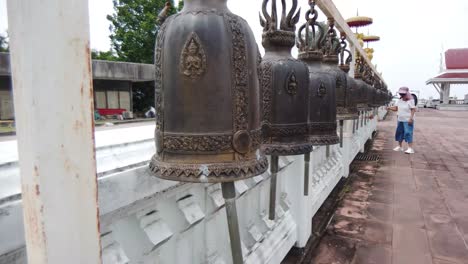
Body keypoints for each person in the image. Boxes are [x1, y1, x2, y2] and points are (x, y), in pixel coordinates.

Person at [386, 87, 416, 154]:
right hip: (400, 119)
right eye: (400, 93)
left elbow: (413, 109)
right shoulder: (399, 100)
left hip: (408, 119)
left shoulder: (410, 100)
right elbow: (396, 108)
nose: (401, 95)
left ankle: (410, 148)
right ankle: (400, 146)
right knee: (399, 132)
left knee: (408, 133)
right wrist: (389, 108)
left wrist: (411, 118)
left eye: (403, 94)